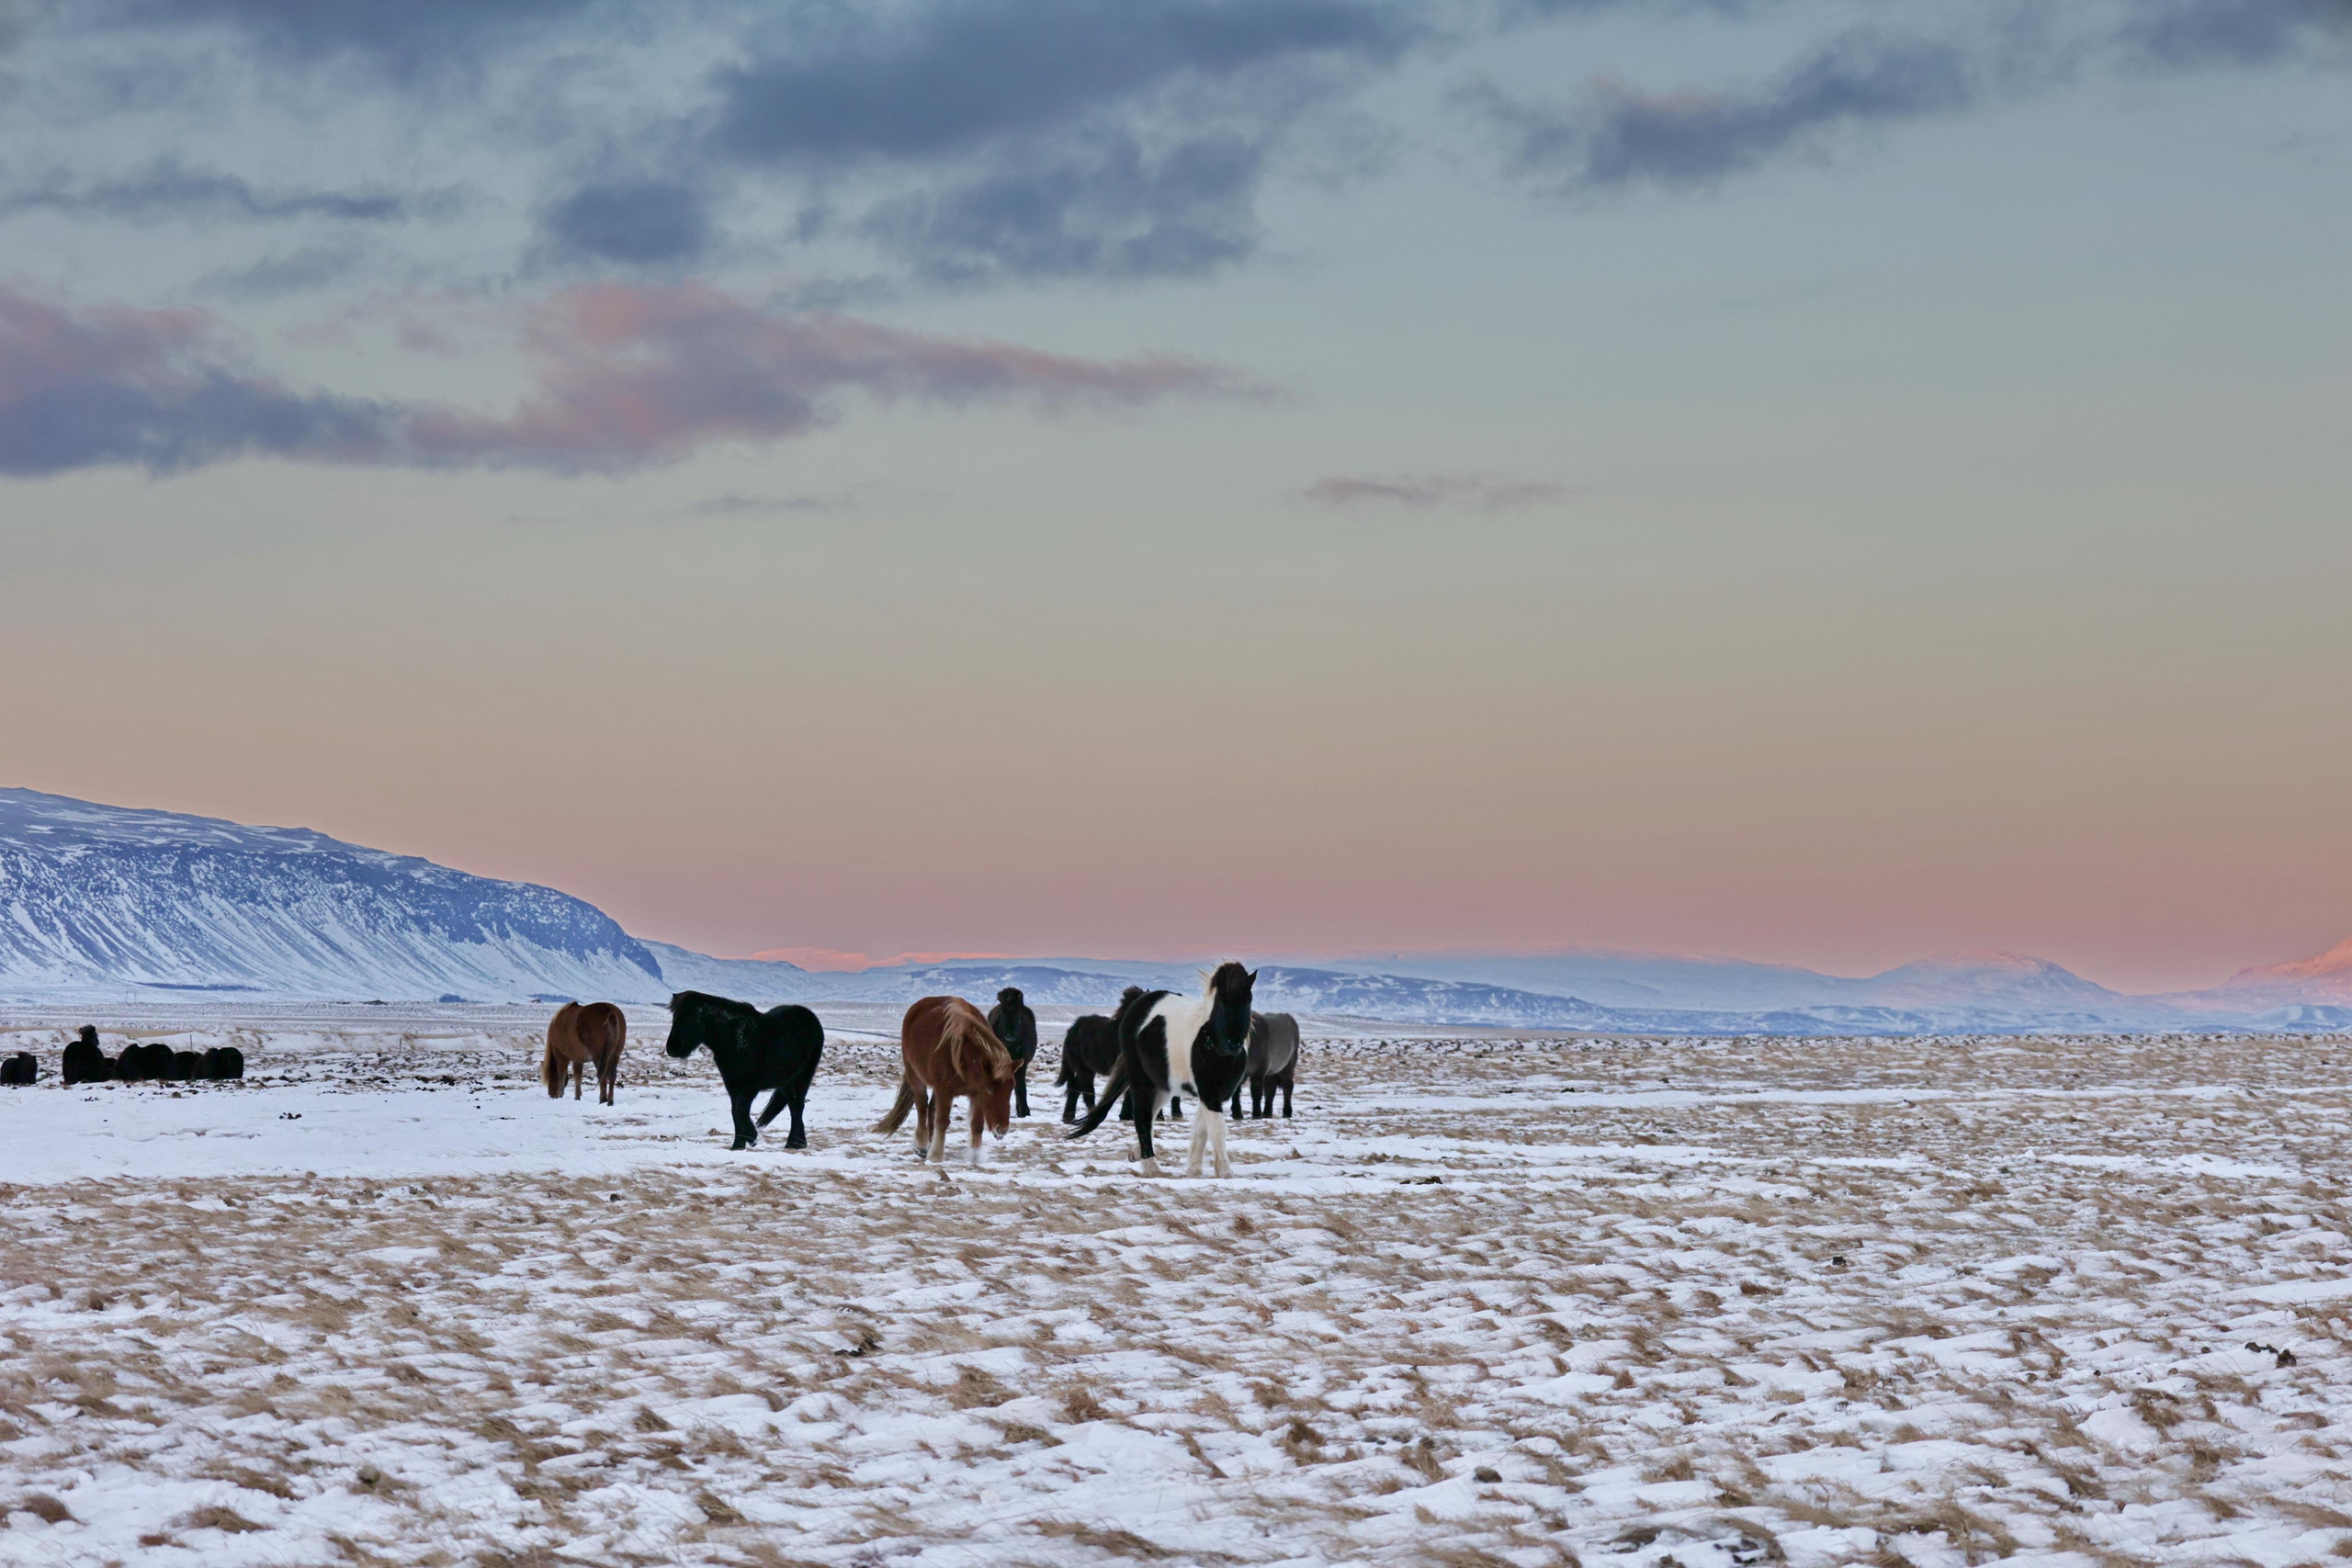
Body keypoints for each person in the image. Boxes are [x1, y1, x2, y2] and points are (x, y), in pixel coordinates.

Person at [987, 986, 1039, 1119]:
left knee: (1020, 1075)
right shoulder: (994, 1017)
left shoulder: (1026, 1018)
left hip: (1020, 1047)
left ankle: (1021, 1107)